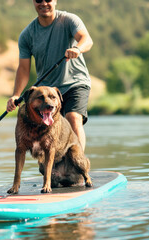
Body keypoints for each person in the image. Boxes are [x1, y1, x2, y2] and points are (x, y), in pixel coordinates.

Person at [6, 0, 93, 150]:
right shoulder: (27, 35)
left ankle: (77, 164)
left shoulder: (69, 20)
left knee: (73, 118)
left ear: (55, 1)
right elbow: (24, 69)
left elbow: (87, 40)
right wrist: (16, 94)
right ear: (34, 2)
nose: (44, 3)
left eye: (48, 0)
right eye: (39, 0)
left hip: (75, 82)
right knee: (47, 129)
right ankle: (52, 168)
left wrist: (78, 49)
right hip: (47, 92)